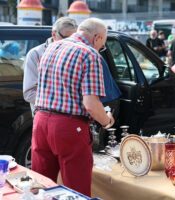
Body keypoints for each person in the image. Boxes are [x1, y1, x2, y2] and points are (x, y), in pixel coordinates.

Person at [31, 18, 115, 196]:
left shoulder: (52, 47)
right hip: (68, 127)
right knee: (76, 190)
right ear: (97, 38)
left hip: (40, 122)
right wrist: (107, 121)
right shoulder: (90, 54)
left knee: (41, 186)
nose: (101, 48)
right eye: (103, 44)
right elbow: (91, 104)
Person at [23, 17, 78, 113]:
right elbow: (29, 93)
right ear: (54, 34)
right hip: (46, 115)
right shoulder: (36, 54)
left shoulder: (78, 52)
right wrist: (61, 103)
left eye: (74, 39)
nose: (71, 42)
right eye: (66, 38)